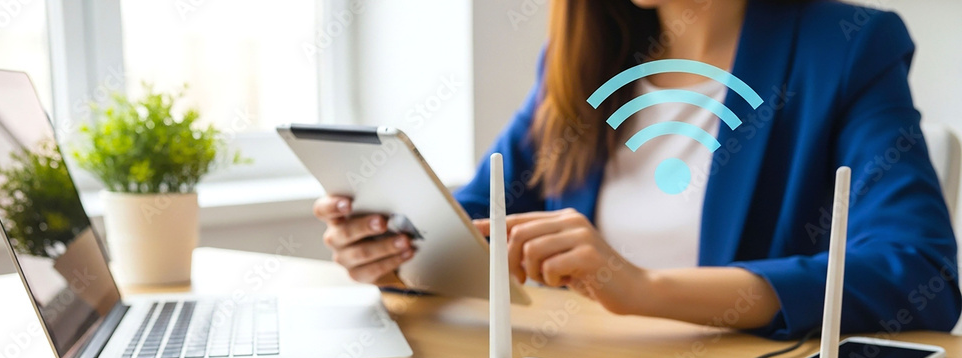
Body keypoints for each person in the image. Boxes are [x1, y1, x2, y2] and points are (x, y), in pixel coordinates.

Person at [312, 0, 961, 339]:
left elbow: (920, 272)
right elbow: (479, 215)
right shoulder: (586, 63)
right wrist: (398, 249)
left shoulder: (846, 47)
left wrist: (646, 287)